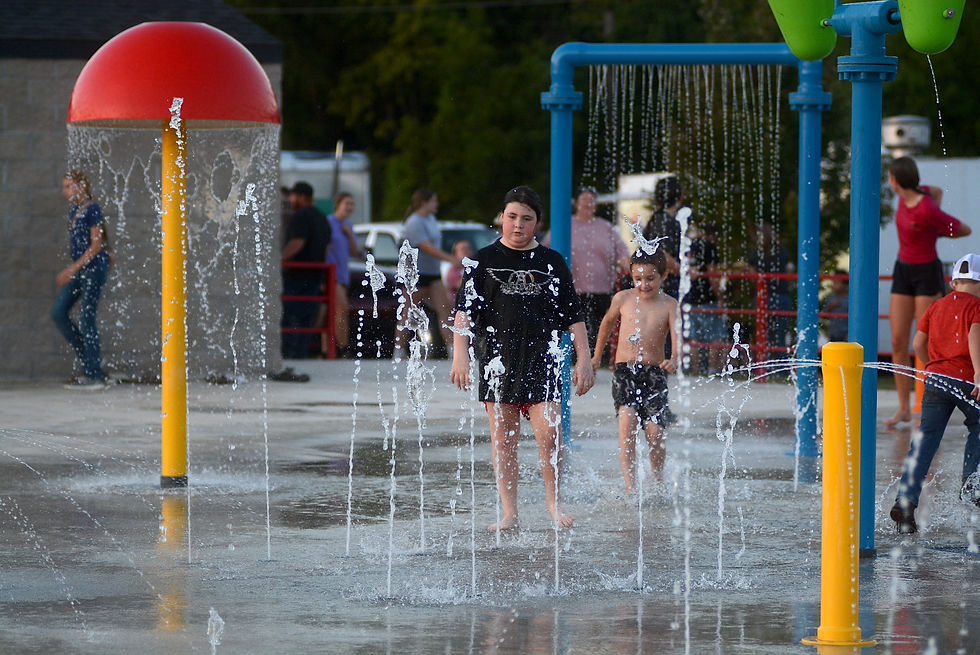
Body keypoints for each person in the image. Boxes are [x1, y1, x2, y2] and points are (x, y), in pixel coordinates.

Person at [450, 186, 594, 531]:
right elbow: (463, 314)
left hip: (541, 360)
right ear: (501, 218)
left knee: (551, 435)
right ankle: (510, 513)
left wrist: (584, 359)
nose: (517, 225)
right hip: (497, 363)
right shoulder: (482, 261)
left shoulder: (552, 261)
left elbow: (573, 314)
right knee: (504, 440)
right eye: (511, 217)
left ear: (537, 223)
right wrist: (459, 357)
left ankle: (553, 505)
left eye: (526, 219)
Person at [890, 253, 980, 534]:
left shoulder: (935, 306)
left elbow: (918, 342)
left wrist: (930, 367)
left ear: (954, 283)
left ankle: (905, 500)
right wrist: (979, 372)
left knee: (926, 438)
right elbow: (974, 334)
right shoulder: (977, 306)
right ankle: (971, 483)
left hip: (936, 380)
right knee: (978, 427)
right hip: (968, 380)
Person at [886, 156, 972, 427]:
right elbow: (936, 191)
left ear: (896, 180)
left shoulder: (927, 209)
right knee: (898, 342)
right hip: (903, 270)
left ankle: (930, 401)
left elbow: (963, 229)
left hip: (926, 273)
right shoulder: (905, 198)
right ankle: (902, 407)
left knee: (927, 341)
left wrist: (937, 231)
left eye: (890, 177)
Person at [592, 248, 678, 493]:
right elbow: (606, 325)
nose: (643, 284)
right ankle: (631, 487)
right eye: (637, 278)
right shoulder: (623, 298)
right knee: (627, 424)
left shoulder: (669, 304)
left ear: (664, 276)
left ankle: (658, 479)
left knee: (655, 431)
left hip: (655, 373)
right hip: (625, 371)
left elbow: (677, 336)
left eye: (650, 278)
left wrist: (673, 358)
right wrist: (596, 357)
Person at [542, 188, 630, 359]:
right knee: (574, 326)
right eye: (584, 200)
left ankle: (598, 360)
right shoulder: (564, 225)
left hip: (602, 289)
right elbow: (546, 250)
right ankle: (574, 360)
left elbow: (623, 253)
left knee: (600, 326)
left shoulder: (606, 228)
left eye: (591, 200)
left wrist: (632, 269)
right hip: (573, 289)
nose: (588, 204)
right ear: (576, 203)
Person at [51, 171, 111, 389]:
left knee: (87, 318)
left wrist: (71, 270)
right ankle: (90, 364)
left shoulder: (92, 209)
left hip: (92, 270)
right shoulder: (75, 210)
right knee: (59, 313)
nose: (64, 191)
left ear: (82, 186)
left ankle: (94, 375)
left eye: (68, 186)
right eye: (64, 186)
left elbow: (96, 246)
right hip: (80, 271)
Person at [397, 189, 458, 356]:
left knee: (444, 310)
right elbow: (426, 247)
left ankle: (452, 349)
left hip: (432, 273)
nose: (436, 204)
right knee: (408, 313)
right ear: (424, 203)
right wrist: (451, 259)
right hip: (415, 275)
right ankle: (398, 350)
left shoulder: (430, 219)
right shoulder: (414, 222)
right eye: (433, 201)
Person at [281, 181, 331, 360]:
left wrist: (280, 260)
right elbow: (326, 247)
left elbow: (297, 242)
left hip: (297, 274)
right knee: (306, 319)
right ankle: (301, 355)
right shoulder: (322, 217)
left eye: (292, 196)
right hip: (315, 275)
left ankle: (289, 356)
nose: (290, 200)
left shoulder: (300, 215)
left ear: (302, 197)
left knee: (290, 316)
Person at [321, 191, 362, 357]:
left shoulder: (348, 226)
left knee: (335, 311)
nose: (350, 207)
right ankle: (342, 347)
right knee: (341, 308)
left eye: (352, 204)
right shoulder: (329, 222)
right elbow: (325, 248)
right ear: (338, 204)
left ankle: (330, 349)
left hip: (343, 273)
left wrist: (350, 234)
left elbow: (354, 251)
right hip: (331, 273)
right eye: (347, 203)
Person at [684, 220, 727, 375]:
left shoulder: (690, 246)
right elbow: (713, 276)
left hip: (690, 297)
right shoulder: (710, 247)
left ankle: (695, 369)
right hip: (708, 298)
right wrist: (720, 298)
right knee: (716, 335)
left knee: (694, 337)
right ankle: (712, 369)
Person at [747, 223, 794, 359]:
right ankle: (782, 366)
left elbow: (752, 276)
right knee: (780, 333)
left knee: (763, 333)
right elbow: (790, 270)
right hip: (782, 294)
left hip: (764, 296)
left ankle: (763, 365)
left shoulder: (755, 253)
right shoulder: (782, 251)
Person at [641, 176, 685, 299]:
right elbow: (664, 255)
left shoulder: (658, 218)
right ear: (680, 196)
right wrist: (685, 272)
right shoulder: (665, 221)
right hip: (664, 287)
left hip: (654, 285)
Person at [824, 271, 849, 342]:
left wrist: (849, 334)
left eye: (837, 283)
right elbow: (824, 316)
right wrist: (830, 307)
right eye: (833, 282)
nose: (833, 285)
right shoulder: (831, 298)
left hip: (845, 335)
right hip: (833, 334)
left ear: (845, 285)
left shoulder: (850, 300)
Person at [445, 239, 472, 304]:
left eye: (468, 249)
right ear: (455, 253)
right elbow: (458, 286)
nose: (466, 251)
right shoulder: (452, 270)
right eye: (463, 249)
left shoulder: (475, 266)